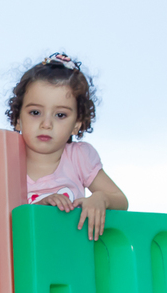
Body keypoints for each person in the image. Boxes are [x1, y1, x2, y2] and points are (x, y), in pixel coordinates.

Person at [8, 52, 128, 240]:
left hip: (71, 257)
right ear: (17, 118)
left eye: (60, 115)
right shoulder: (6, 163)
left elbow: (120, 200)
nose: (46, 124)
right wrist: (38, 209)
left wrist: (100, 199)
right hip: (21, 260)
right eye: (35, 112)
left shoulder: (79, 157)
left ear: (76, 125)